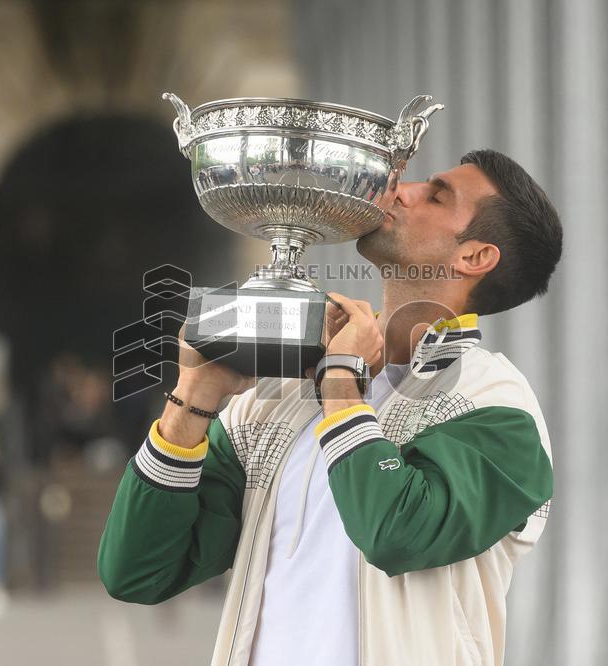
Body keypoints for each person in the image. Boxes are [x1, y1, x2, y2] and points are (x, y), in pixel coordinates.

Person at [98, 149, 562, 665]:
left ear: (474, 257)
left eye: (435, 195)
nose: (400, 190)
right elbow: (136, 569)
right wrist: (194, 399)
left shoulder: (496, 406)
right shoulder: (278, 401)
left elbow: (395, 532)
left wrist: (341, 384)